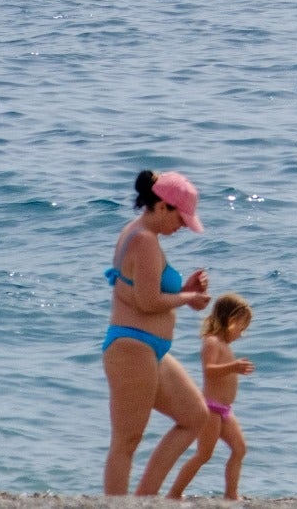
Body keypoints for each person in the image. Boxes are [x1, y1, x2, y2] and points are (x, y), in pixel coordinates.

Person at [103, 170, 213, 496]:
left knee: (195, 415)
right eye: (181, 218)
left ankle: (145, 499)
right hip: (131, 346)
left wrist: (185, 290)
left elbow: (146, 289)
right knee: (126, 441)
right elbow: (148, 301)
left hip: (148, 348)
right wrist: (189, 298)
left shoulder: (140, 234)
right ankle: (117, 506)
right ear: (163, 206)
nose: (182, 227)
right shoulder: (144, 240)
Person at [167, 293, 255, 499]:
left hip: (225, 410)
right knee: (204, 454)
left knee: (240, 449)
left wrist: (235, 368)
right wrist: (234, 366)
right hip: (211, 409)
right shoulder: (212, 342)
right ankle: (174, 493)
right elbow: (209, 370)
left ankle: (231, 494)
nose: (241, 334)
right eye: (241, 328)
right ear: (230, 321)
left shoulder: (224, 345)